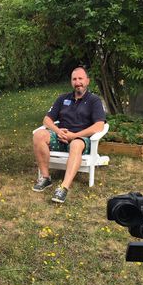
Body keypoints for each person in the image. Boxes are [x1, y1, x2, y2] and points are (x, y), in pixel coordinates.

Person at [32, 67, 106, 203]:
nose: (78, 82)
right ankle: (45, 178)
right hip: (60, 136)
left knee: (76, 143)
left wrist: (75, 135)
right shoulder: (62, 98)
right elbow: (47, 120)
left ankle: (63, 188)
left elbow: (99, 126)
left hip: (81, 139)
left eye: (80, 79)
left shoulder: (94, 101)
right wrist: (58, 131)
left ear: (87, 81)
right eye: (74, 79)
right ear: (71, 82)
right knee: (38, 135)